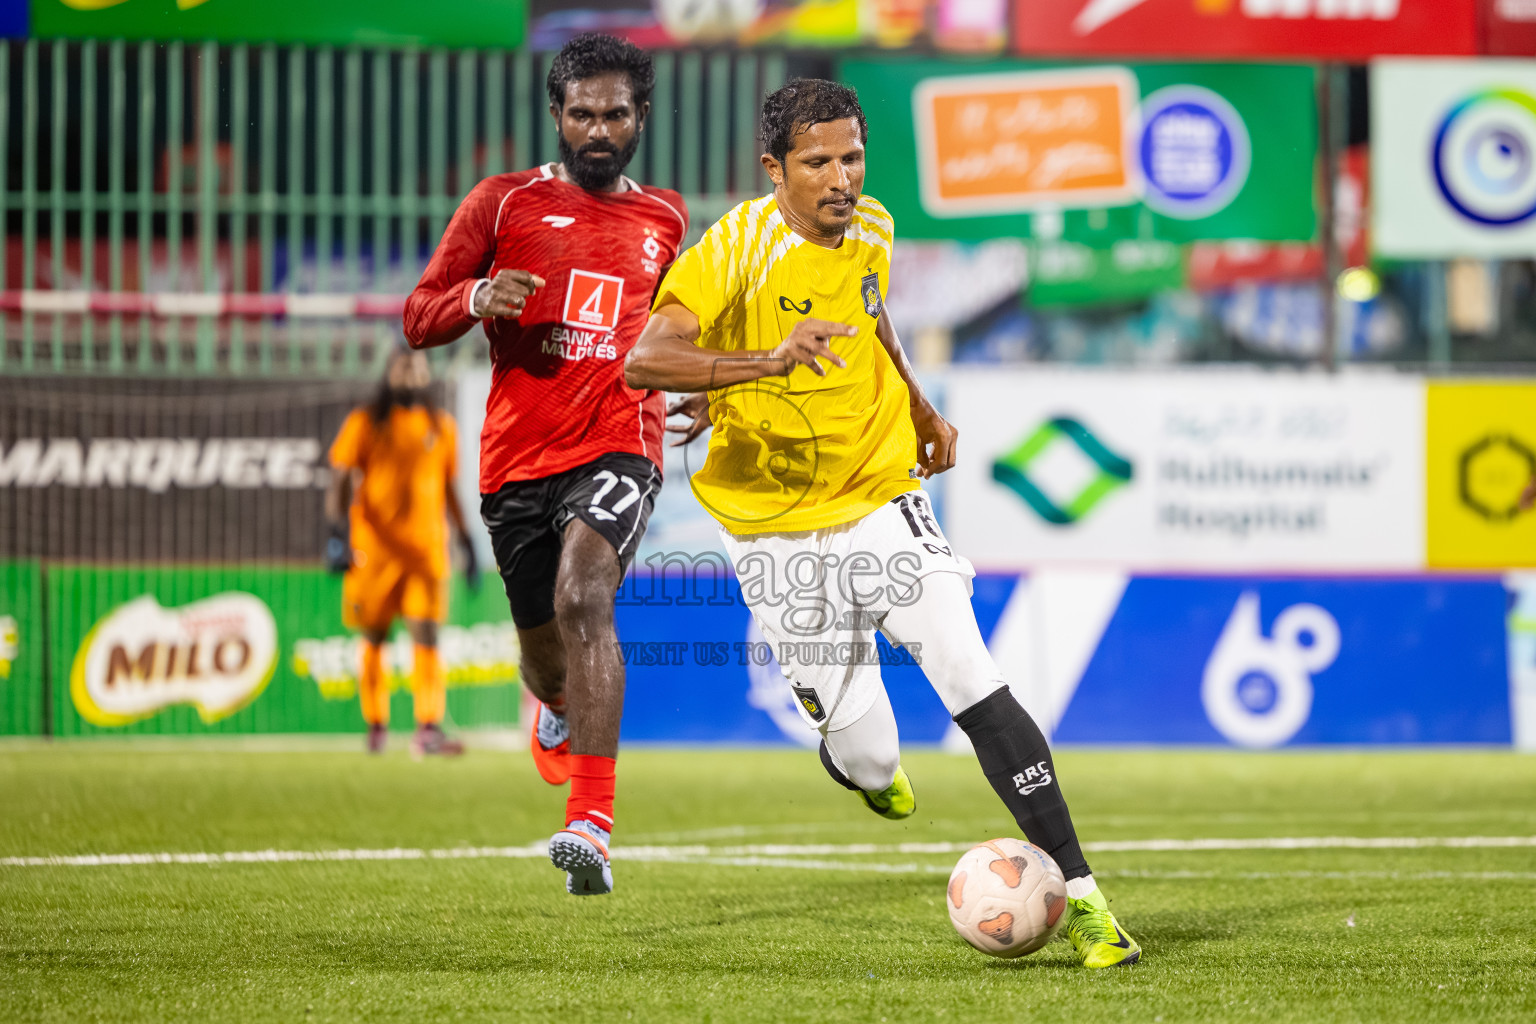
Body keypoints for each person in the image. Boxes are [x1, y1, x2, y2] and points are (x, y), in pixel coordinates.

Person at [626, 79, 1142, 968]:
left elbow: (872, 322)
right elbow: (647, 358)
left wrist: (920, 405)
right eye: (817, 163)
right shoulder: (735, 247)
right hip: (771, 527)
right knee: (870, 761)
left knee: (968, 668)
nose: (841, 179)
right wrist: (757, 366)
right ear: (774, 168)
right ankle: (858, 762)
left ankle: (1089, 902)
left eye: (852, 157)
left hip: (877, 490)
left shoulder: (873, 227)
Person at [402, 34, 688, 896]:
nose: (599, 129)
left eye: (616, 114)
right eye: (583, 114)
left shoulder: (667, 220)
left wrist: (704, 384)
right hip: (517, 459)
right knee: (544, 660)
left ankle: (591, 825)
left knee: (585, 593)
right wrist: (476, 297)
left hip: (621, 441)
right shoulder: (501, 204)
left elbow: (682, 327)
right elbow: (418, 315)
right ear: (557, 116)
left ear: (640, 117)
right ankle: (559, 709)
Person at [325, 347, 477, 758]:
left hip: (425, 553)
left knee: (426, 635)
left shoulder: (441, 426)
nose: (411, 374)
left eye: (418, 368)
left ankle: (428, 727)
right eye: (403, 367)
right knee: (374, 637)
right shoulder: (365, 422)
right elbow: (340, 475)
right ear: (389, 372)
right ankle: (376, 724)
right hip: (374, 551)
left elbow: (449, 489)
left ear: (427, 375)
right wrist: (337, 533)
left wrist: (466, 540)